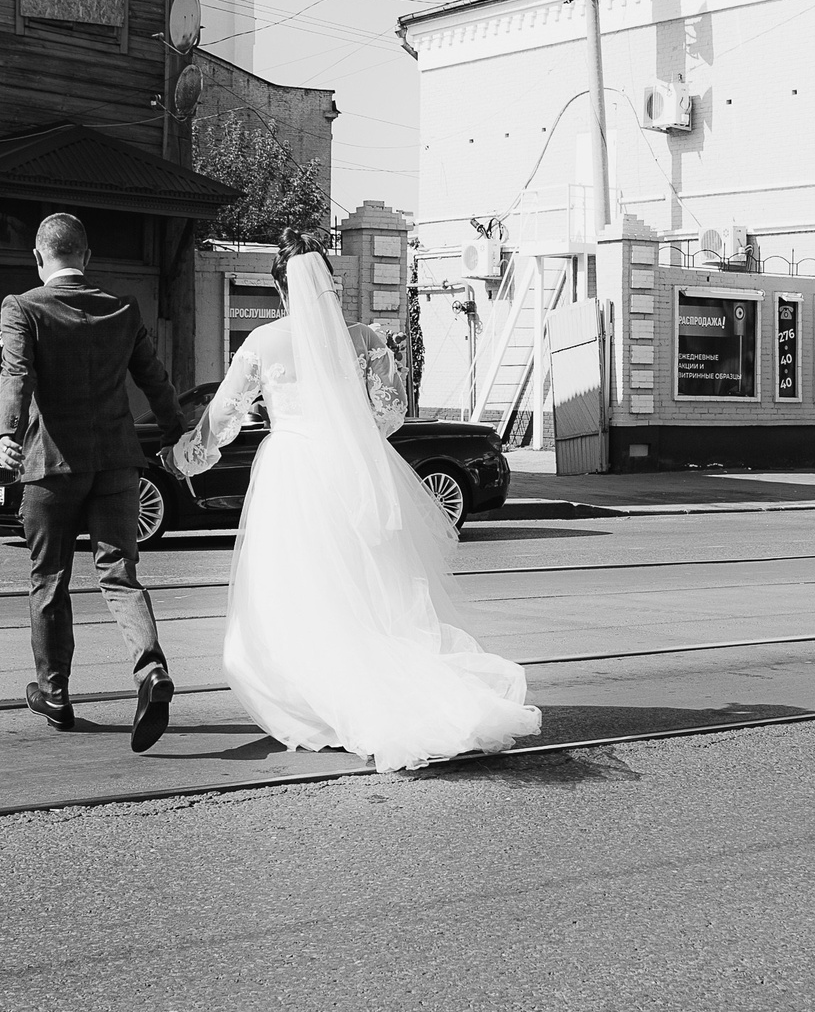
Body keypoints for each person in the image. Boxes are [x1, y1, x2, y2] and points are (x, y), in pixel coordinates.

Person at [165, 238, 541, 773]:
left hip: (291, 474)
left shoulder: (264, 341)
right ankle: (393, 691)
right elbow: (389, 418)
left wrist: (186, 456)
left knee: (294, 590)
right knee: (364, 590)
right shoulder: (364, 339)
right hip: (352, 471)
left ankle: (319, 700)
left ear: (279, 287)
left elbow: (222, 418)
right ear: (326, 281)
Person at [0, 213, 187, 751]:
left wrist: (7, 433)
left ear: (39, 257)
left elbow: (17, 372)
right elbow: (155, 379)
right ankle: (150, 671)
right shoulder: (122, 308)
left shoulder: (23, 307)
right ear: (87, 257)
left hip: (51, 467)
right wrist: (176, 434)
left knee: (49, 578)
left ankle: (55, 694)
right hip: (117, 465)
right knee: (120, 575)